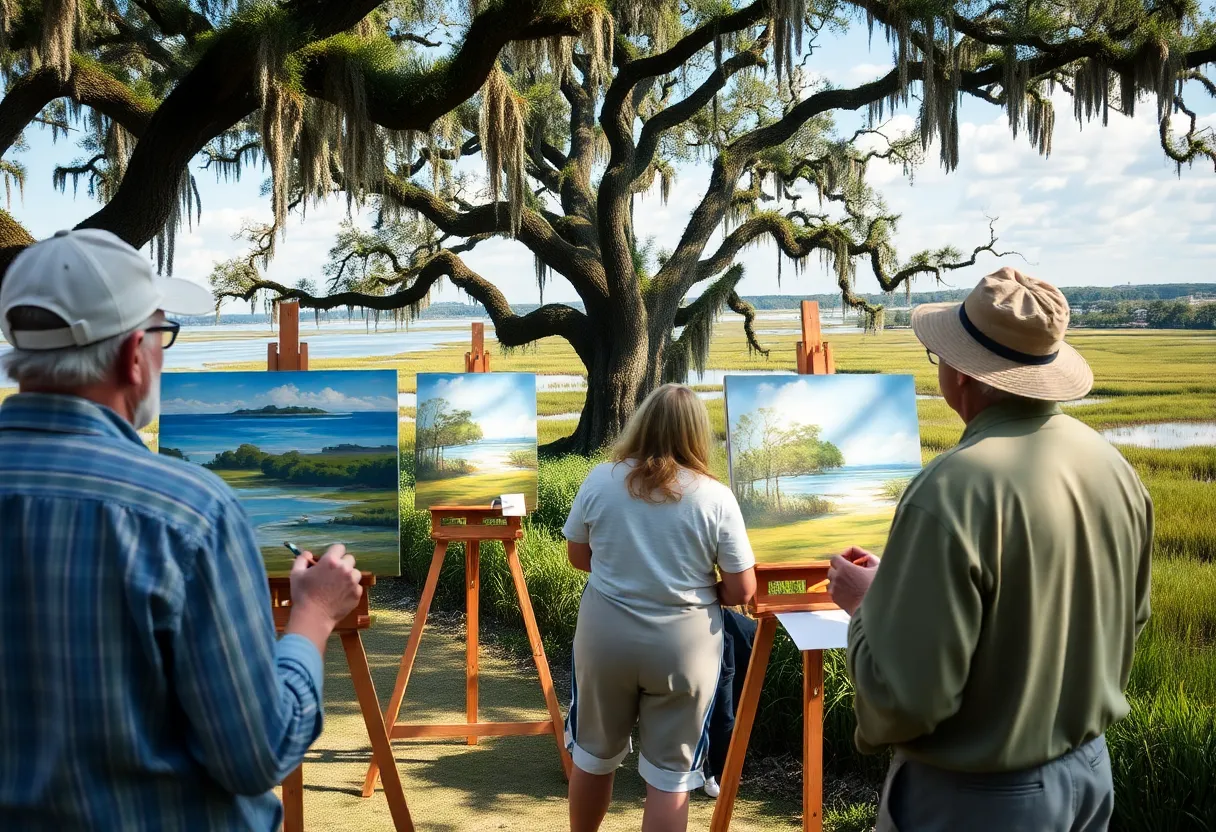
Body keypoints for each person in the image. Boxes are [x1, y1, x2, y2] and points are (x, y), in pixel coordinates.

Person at [0, 229, 364, 831]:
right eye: (163, 335)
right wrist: (314, 617)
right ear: (131, 356)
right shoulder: (186, 514)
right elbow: (256, 754)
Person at [826, 267, 1153, 832]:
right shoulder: (1112, 467)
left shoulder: (950, 489)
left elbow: (908, 700)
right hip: (1089, 776)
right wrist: (897, 596)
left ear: (965, 376)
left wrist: (864, 614)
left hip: (977, 800)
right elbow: (1131, 618)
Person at [561, 383, 757, 832]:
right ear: (696, 433)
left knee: (592, 757)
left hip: (605, 637)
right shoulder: (715, 496)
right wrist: (707, 590)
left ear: (642, 422)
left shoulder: (600, 479)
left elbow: (578, 556)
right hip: (685, 646)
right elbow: (742, 588)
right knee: (671, 777)